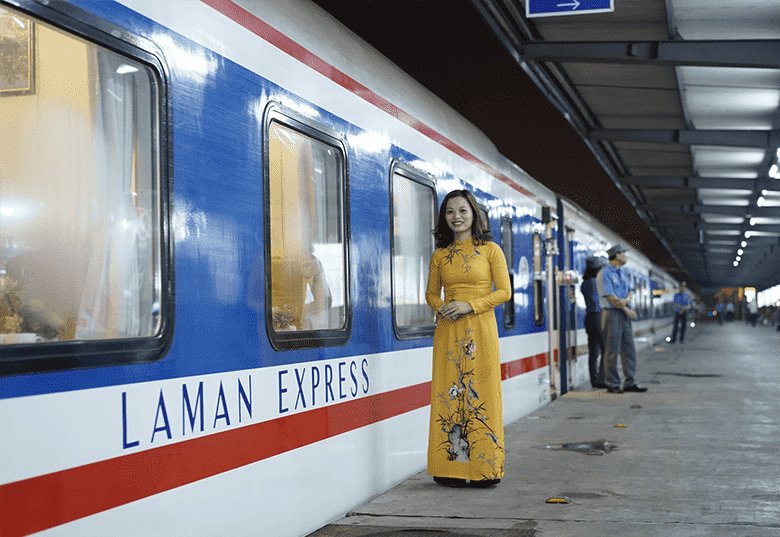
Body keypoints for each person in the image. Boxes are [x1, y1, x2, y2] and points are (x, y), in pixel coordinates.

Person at [425, 189, 510, 488]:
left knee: (481, 392)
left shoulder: (490, 250)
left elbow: (504, 292)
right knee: (449, 393)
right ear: (444, 217)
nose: (456, 217)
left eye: (462, 210)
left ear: (474, 213)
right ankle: (450, 467)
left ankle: (484, 468)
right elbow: (431, 294)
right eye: (450, 212)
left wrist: (470, 305)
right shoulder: (439, 256)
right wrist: (442, 308)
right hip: (449, 332)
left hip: (480, 329)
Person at [597, 243, 647, 394]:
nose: (626, 256)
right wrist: (626, 308)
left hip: (623, 313)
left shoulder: (623, 272)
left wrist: (625, 302)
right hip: (612, 314)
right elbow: (611, 298)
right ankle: (612, 383)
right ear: (617, 255)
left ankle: (630, 382)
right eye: (624, 253)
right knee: (612, 349)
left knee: (629, 349)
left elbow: (629, 292)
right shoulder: (605, 273)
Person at [581, 255, 607, 388]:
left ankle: (595, 380)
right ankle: (602, 380)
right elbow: (599, 302)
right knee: (605, 349)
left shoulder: (585, 283)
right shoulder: (594, 283)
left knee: (593, 351)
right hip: (597, 317)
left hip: (590, 318)